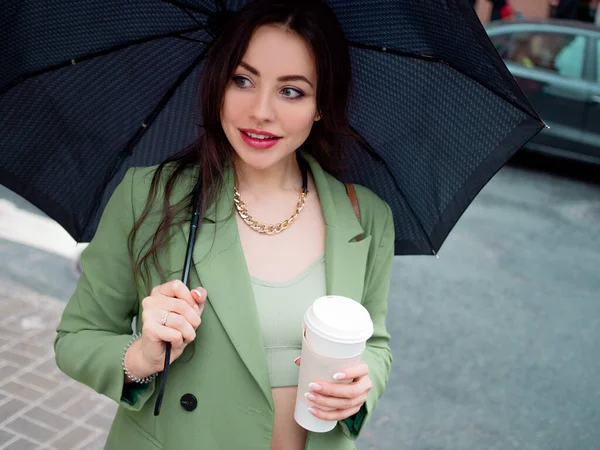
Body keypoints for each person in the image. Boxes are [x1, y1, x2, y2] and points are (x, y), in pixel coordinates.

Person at [53, 1, 395, 449]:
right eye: (243, 80)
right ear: (218, 84)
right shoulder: (150, 198)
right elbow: (76, 338)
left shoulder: (364, 216)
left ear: (320, 106)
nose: (261, 111)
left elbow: (377, 343)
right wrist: (141, 355)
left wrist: (360, 384)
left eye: (291, 91)